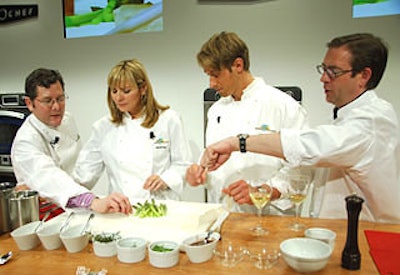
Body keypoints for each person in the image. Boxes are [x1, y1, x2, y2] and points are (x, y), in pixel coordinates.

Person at [201, 33, 400, 223]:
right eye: (323, 69)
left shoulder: (372, 120)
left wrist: (239, 143)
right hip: (231, 212)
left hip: (368, 234)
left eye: (333, 71)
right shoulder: (347, 117)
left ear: (364, 75)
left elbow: (308, 148)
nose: (323, 78)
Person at [185, 31, 309, 213]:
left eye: (216, 75)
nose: (211, 84)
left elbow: (302, 164)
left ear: (238, 65)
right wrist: (199, 171)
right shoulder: (216, 111)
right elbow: (212, 160)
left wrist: (268, 190)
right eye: (208, 75)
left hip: (269, 216)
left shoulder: (282, 105)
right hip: (222, 215)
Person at [11, 68, 132, 214]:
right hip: (43, 212)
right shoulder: (26, 142)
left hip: (74, 202)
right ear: (29, 103)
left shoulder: (67, 120)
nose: (56, 107)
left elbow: (83, 164)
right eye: (48, 101)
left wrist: (90, 198)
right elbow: (49, 178)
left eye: (61, 99)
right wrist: (91, 201)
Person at [73, 59, 192, 202]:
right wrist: (63, 192)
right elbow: (86, 172)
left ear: (143, 89)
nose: (118, 97)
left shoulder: (169, 119)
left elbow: (184, 164)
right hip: (121, 207)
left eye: (126, 91)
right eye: (114, 91)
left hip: (160, 204)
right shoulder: (103, 127)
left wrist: (165, 179)